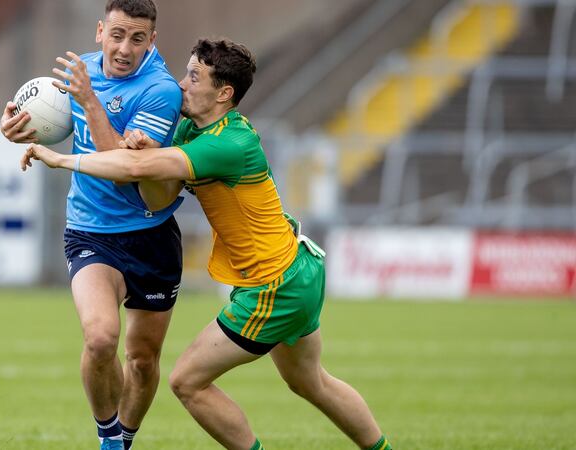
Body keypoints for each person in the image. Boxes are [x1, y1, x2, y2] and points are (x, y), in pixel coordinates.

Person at [20, 38, 393, 450]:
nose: (181, 85)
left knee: (187, 382)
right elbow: (152, 187)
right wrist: (145, 152)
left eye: (194, 77)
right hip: (299, 267)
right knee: (312, 382)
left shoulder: (228, 143)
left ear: (224, 93)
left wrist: (61, 160)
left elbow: (134, 166)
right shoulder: (191, 129)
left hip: (275, 285)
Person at [0, 1, 183, 449]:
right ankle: (110, 440)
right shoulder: (80, 69)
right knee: (101, 338)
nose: (124, 48)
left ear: (152, 41)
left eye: (137, 38)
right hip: (91, 232)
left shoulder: (161, 90)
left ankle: (127, 437)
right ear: (100, 31)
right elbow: (43, 117)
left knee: (141, 361)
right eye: (117, 35)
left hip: (150, 236)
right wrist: (14, 126)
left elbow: (125, 168)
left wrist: (89, 100)